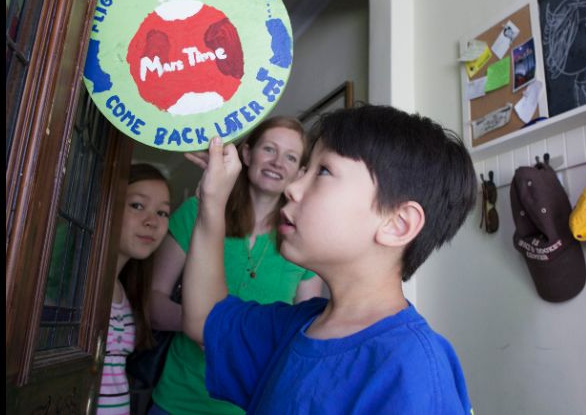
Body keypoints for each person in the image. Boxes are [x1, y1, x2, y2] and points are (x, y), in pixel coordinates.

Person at [183, 104, 477, 414]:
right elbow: (204, 319)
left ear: (397, 224)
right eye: (306, 169)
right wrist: (213, 202)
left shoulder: (412, 369)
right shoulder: (295, 325)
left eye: (323, 171)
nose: (292, 188)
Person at [149, 116, 324, 415]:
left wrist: (230, 330)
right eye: (269, 149)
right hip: (177, 400)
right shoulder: (195, 211)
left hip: (251, 406)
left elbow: (304, 335)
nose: (278, 162)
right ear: (246, 154)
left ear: (300, 172)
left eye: (291, 157)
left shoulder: (304, 240)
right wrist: (213, 327)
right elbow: (152, 303)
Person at [97, 164, 171, 415]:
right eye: (137, 206)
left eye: (162, 212)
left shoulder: (123, 288)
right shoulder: (78, 285)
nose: (151, 221)